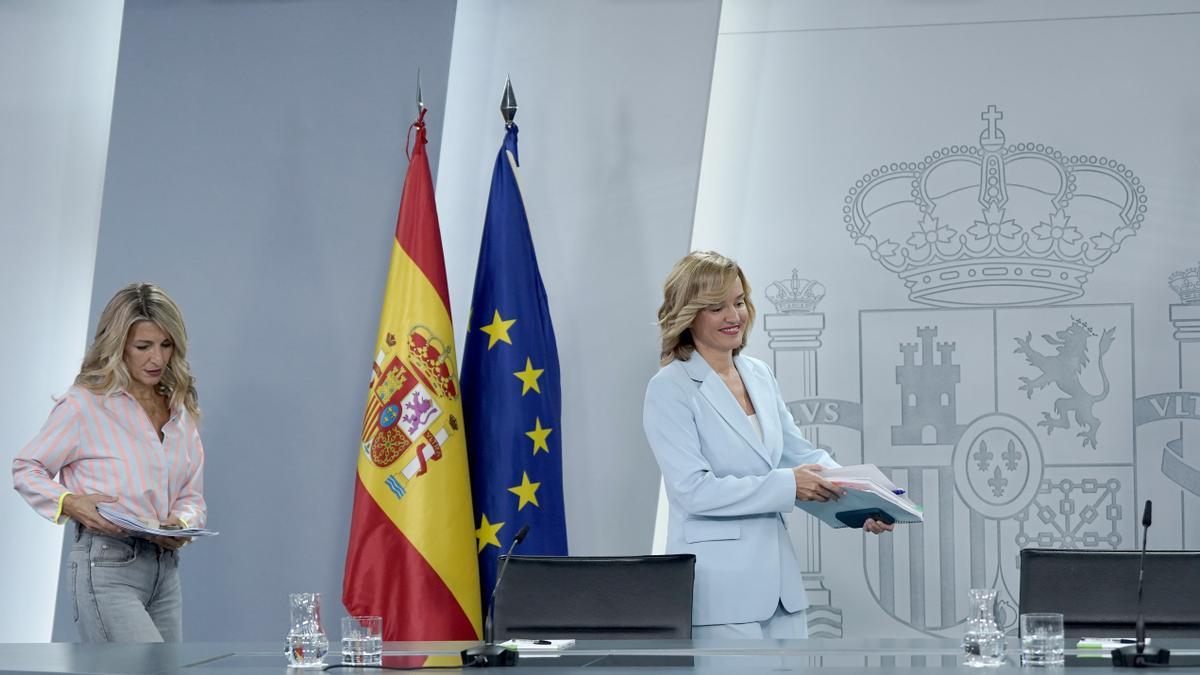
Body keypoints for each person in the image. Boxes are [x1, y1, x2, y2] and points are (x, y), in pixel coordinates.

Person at [643, 251, 892, 640]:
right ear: (689, 315)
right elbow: (694, 492)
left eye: (739, 302)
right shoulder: (669, 389)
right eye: (716, 307)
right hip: (721, 598)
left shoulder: (758, 374)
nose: (734, 316)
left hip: (782, 595)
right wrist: (789, 485)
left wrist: (865, 500)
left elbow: (802, 457)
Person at [12, 283, 206, 642]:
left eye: (166, 345)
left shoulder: (179, 410)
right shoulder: (86, 404)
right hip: (106, 565)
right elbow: (26, 468)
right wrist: (69, 503)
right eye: (143, 346)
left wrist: (181, 522)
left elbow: (191, 495)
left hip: (165, 570)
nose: (157, 359)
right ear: (119, 346)